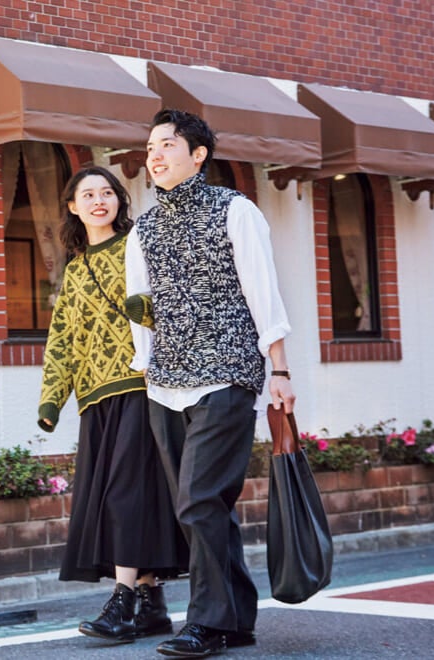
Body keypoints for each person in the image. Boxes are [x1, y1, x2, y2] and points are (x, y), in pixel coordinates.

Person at [125, 109, 296, 657]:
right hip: (165, 380)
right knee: (202, 506)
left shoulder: (235, 210)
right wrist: (144, 365)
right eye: (150, 146)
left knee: (198, 499)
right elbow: (140, 306)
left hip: (226, 371)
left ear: (198, 155)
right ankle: (236, 619)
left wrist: (281, 369)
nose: (155, 154)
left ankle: (204, 623)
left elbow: (261, 289)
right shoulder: (145, 227)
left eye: (168, 144)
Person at [38, 165, 188, 644]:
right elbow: (62, 338)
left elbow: (170, 297)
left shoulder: (137, 246)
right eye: (88, 194)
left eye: (108, 192)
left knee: (126, 494)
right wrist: (51, 398)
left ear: (121, 201)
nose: (99, 201)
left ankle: (123, 601)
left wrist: (144, 310)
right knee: (120, 497)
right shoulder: (75, 269)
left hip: (140, 388)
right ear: (72, 206)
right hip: (95, 400)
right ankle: (150, 601)